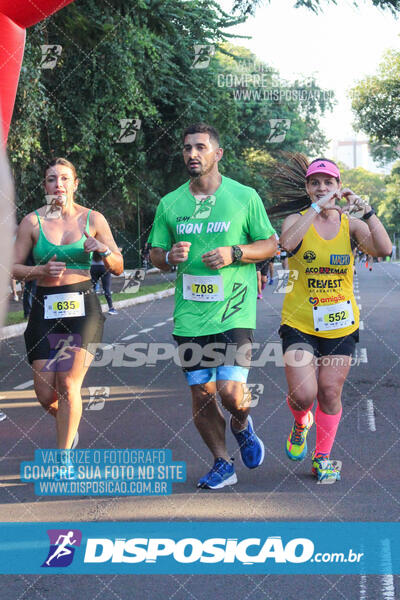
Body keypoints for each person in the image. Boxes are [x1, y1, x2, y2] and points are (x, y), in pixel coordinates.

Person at [149, 123, 277, 489]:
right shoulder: (170, 203)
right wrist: (168, 256)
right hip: (190, 315)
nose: (192, 153)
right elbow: (156, 254)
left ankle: (241, 423)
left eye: (200, 147)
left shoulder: (243, 197)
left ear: (217, 154)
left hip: (234, 309)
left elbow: (270, 244)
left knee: (230, 393)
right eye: (187, 147)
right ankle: (222, 462)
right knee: (201, 394)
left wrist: (235, 252)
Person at [271, 155, 392, 481]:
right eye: (315, 183)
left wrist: (365, 210)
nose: (322, 187)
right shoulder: (296, 220)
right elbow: (287, 243)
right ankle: (300, 423)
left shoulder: (351, 225)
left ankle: (322, 457)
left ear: (339, 187)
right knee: (304, 394)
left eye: (328, 182)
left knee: (329, 392)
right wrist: (315, 210)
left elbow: (384, 249)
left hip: (340, 322)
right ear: (308, 188)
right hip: (299, 321)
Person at [13, 158, 123, 453]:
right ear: (45, 186)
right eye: (51, 179)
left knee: (68, 384)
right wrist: (39, 271)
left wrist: (103, 250)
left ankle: (63, 459)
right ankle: (68, 427)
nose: (58, 185)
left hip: (82, 307)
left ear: (75, 184)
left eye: (64, 179)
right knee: (44, 392)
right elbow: (11, 267)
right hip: (44, 307)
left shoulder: (93, 219)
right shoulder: (32, 221)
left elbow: (119, 266)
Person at [90, 250, 117, 314]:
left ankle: (91, 308)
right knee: (106, 289)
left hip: (93, 267)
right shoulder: (103, 246)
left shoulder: (91, 246)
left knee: (92, 288)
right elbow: (110, 256)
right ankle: (111, 308)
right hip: (104, 267)